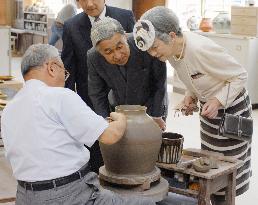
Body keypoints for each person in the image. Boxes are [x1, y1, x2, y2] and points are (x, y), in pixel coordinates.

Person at [1, 44, 155, 205]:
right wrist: (121, 117)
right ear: (52, 67)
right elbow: (111, 135)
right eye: (64, 72)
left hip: (25, 197)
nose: (64, 78)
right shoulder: (59, 96)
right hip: (69, 195)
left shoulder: (9, 109)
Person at [133, 6, 252, 205]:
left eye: (155, 47)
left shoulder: (199, 48)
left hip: (232, 112)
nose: (153, 53)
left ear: (171, 36)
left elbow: (240, 75)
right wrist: (191, 96)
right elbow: (195, 77)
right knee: (211, 166)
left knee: (229, 170)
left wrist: (217, 100)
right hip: (210, 114)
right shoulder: (171, 52)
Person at [61, 0, 135, 173]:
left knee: (130, 147)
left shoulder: (125, 17)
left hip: (126, 97)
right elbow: (68, 68)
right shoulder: (71, 26)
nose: (89, 3)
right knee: (97, 151)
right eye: (82, 0)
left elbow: (136, 55)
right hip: (90, 99)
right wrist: (68, 104)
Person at [87, 17, 168, 130]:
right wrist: (106, 120)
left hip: (152, 105)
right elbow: (97, 93)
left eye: (120, 47)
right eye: (108, 52)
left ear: (125, 36)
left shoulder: (144, 44)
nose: (118, 56)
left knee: (151, 143)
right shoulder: (93, 57)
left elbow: (160, 83)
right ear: (99, 51)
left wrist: (157, 115)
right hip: (120, 107)